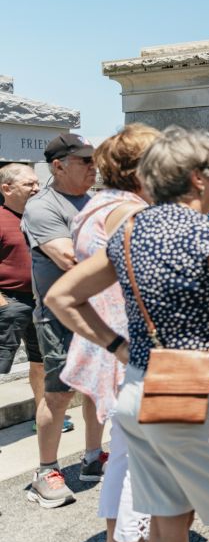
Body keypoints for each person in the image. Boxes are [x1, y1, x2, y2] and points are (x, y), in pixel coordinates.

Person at [46, 126, 209, 542]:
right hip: (202, 391)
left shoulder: (131, 234)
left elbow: (62, 296)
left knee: (168, 522)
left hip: (140, 386)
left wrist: (119, 347)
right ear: (197, 178)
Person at [60, 124, 159, 542]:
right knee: (143, 467)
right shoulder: (130, 214)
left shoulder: (101, 205)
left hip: (114, 346)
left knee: (123, 459)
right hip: (131, 349)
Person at [21, 133, 104, 508]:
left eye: (93, 160)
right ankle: (45, 471)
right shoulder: (42, 207)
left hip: (98, 314)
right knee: (58, 394)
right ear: (58, 166)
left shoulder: (95, 202)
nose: (93, 167)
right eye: (85, 161)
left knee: (95, 390)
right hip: (58, 318)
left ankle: (92, 459)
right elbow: (71, 260)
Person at [0, 164, 45, 411]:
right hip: (10, 303)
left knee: (41, 363)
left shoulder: (40, 220)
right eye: (29, 184)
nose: (37, 188)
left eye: (37, 183)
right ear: (7, 188)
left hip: (41, 304)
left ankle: (43, 416)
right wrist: (3, 304)